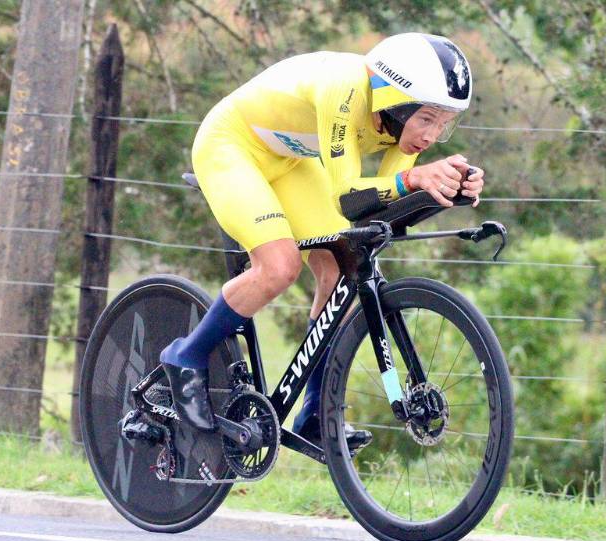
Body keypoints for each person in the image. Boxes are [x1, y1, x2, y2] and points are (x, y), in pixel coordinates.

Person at [159, 32, 485, 448]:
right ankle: (185, 356)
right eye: (425, 119)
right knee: (279, 267)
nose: (430, 136)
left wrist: (447, 190)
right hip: (232, 146)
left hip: (291, 158)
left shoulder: (400, 126)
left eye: (443, 123)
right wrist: (415, 178)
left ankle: (315, 412)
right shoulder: (346, 89)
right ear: (393, 100)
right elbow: (348, 195)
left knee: (341, 264)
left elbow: (381, 203)